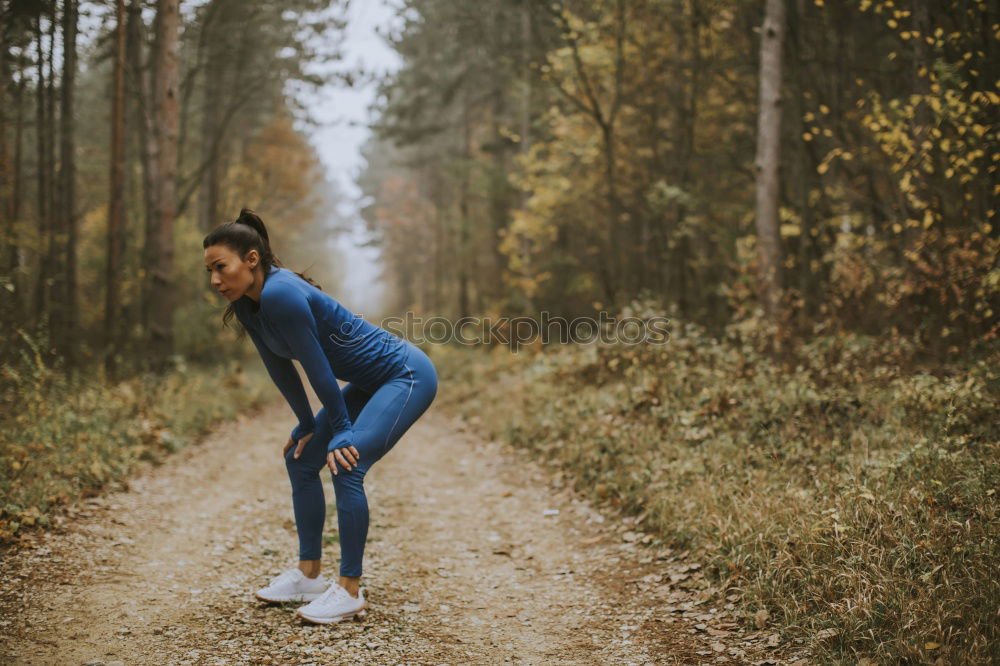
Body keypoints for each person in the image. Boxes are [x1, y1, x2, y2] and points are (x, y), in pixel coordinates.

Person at [202, 209, 438, 624]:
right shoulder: (247, 305)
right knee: (302, 458)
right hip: (369, 382)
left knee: (347, 463)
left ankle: (349, 590)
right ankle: (309, 575)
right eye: (209, 271)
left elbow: (318, 370)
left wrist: (342, 430)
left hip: (405, 374)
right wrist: (307, 424)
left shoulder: (281, 294)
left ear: (251, 260)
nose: (215, 280)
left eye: (220, 268)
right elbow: (281, 367)